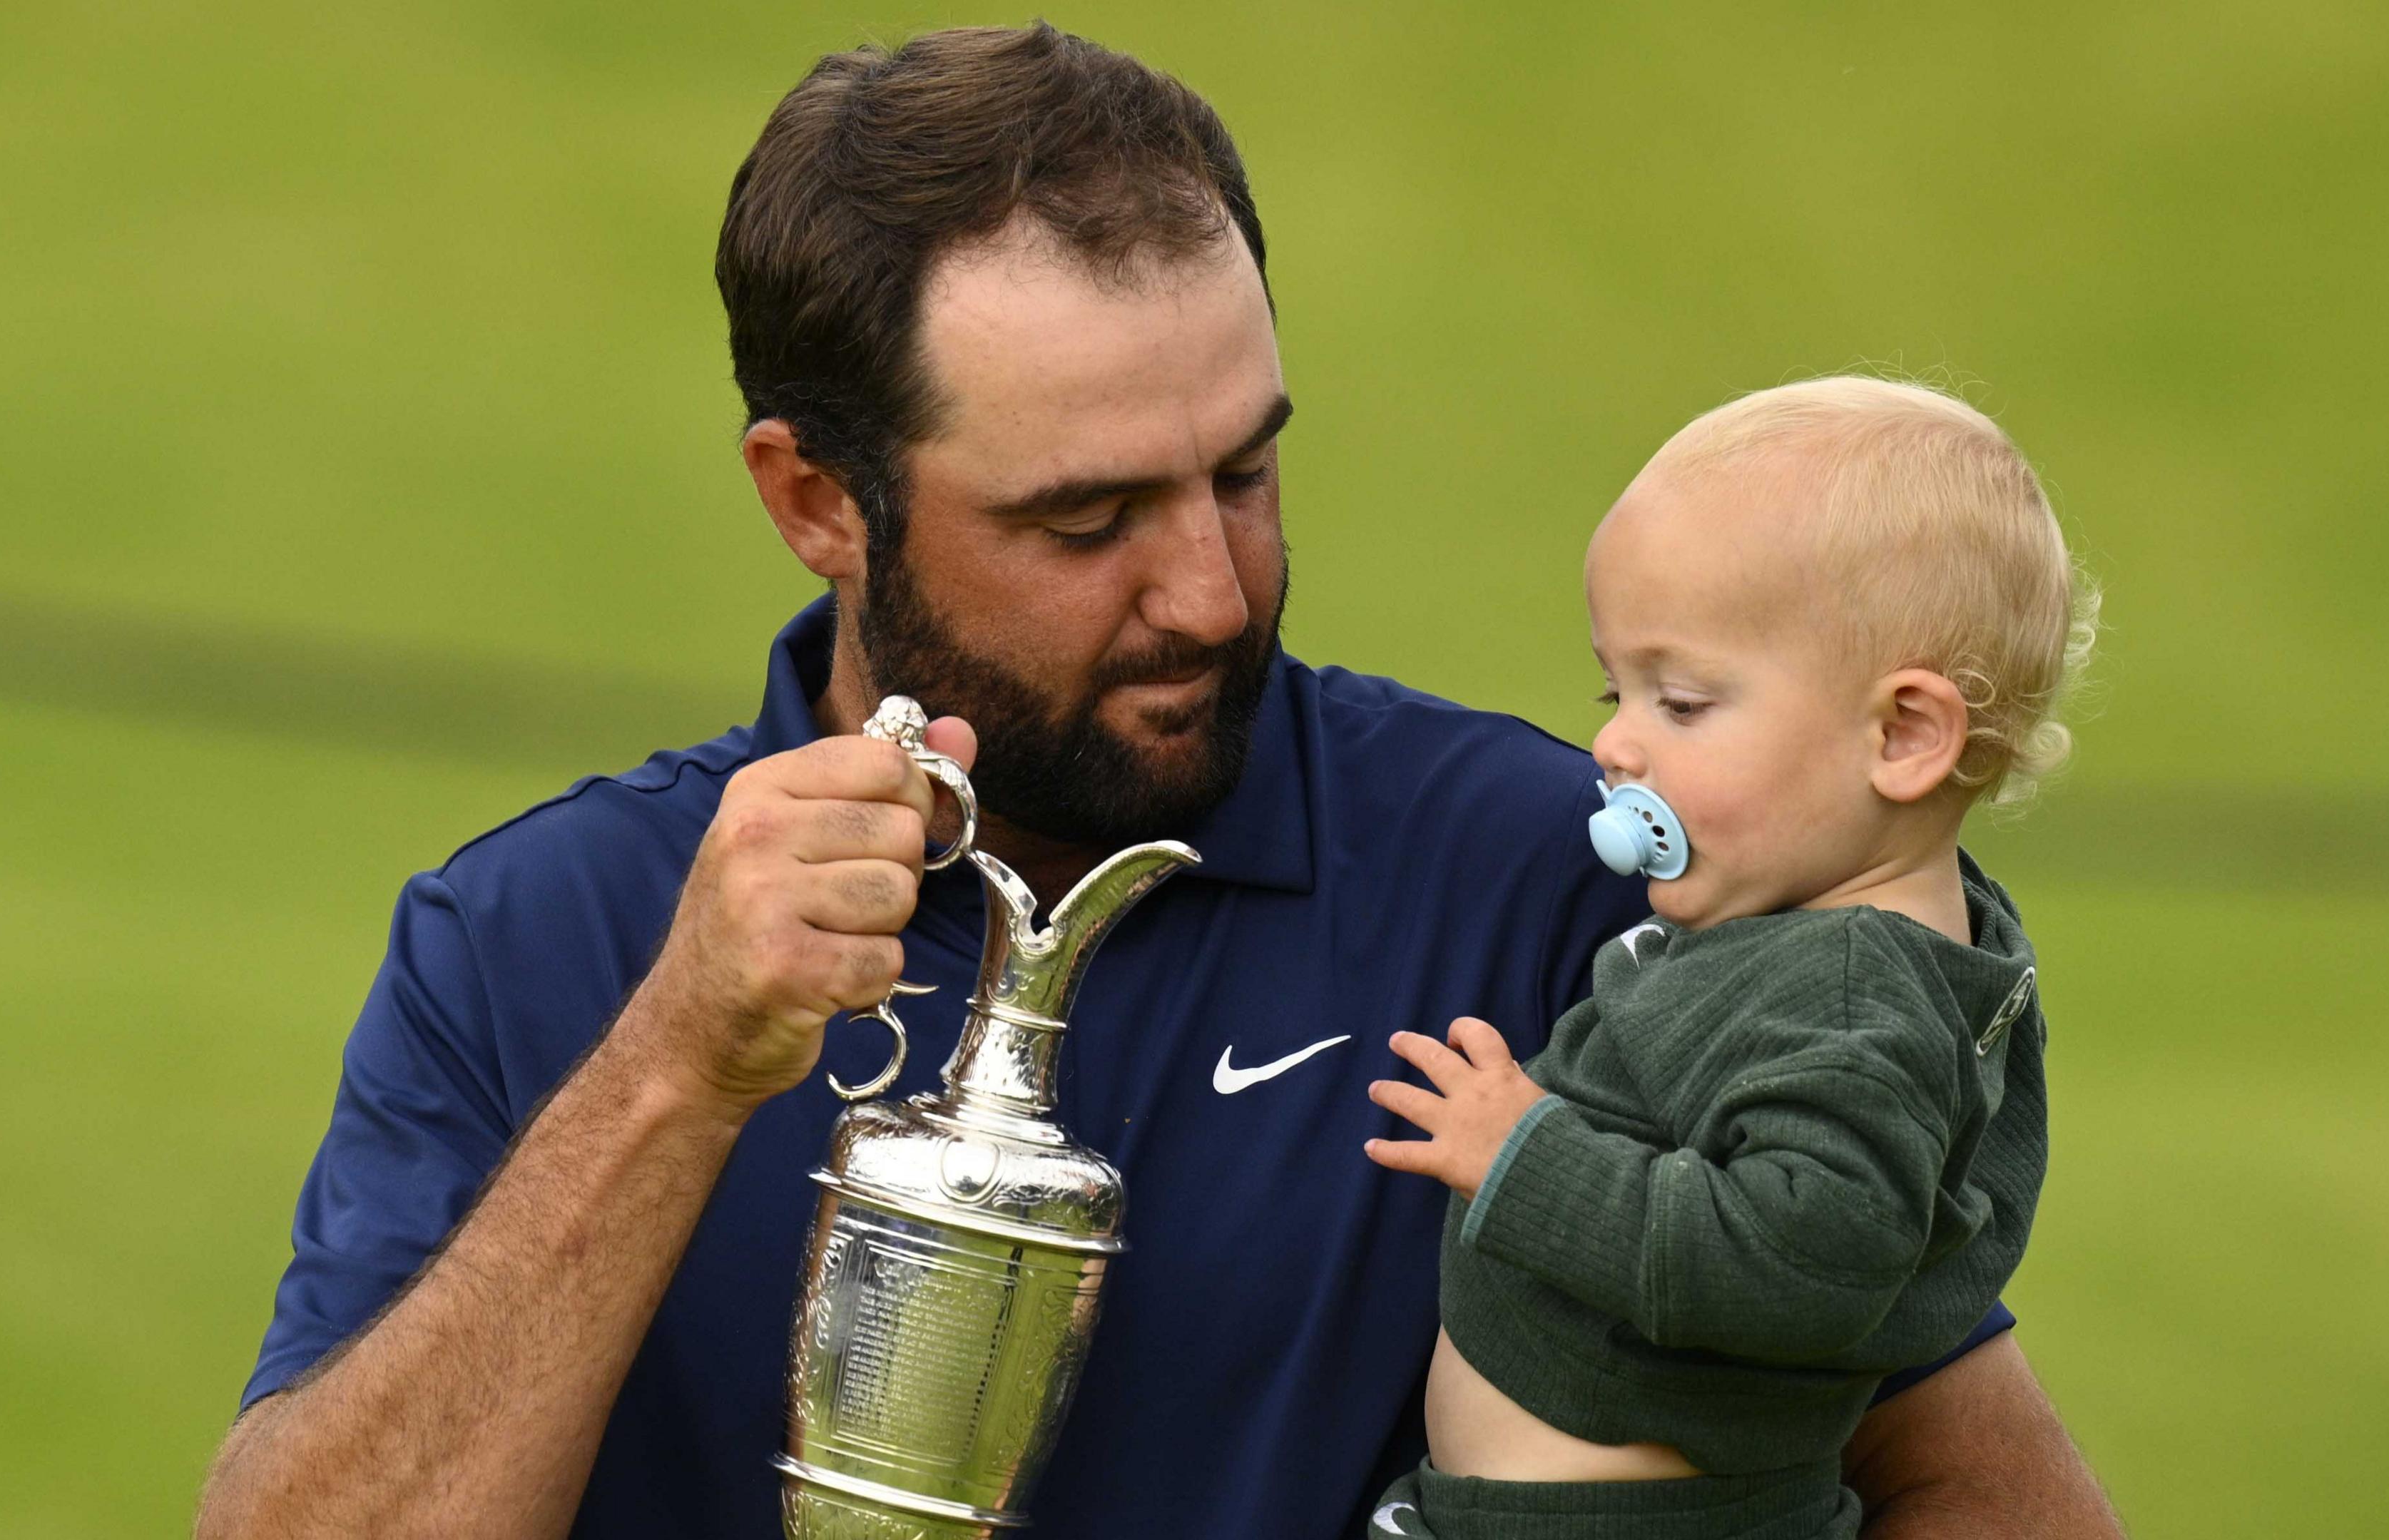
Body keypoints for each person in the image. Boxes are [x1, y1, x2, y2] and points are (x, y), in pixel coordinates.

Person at [194, 26, 2124, 1540]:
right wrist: (677, 1070)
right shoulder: (544, 945)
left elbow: (1987, 1493)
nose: (1209, 589)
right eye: (1086, 517)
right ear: (816, 503)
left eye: (1244, 472)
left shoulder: (1561, 882)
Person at [1360, 377, 2092, 1539]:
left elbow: (1806, 1265)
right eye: (1619, 689)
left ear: (1904, 735)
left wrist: (1526, 1156)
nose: (1613, 740)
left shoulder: (1853, 996)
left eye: (1684, 702)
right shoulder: (1845, 944)